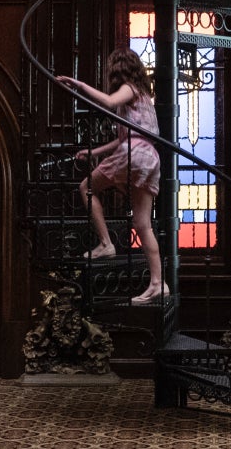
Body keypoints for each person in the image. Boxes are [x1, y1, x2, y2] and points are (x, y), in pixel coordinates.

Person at [56, 48, 166, 304]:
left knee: (86, 187)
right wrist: (94, 151)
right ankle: (158, 283)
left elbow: (108, 103)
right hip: (149, 158)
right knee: (143, 224)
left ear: (119, 69)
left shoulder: (129, 88)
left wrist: (78, 84)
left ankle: (105, 243)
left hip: (135, 155)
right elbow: (122, 139)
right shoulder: (145, 98)